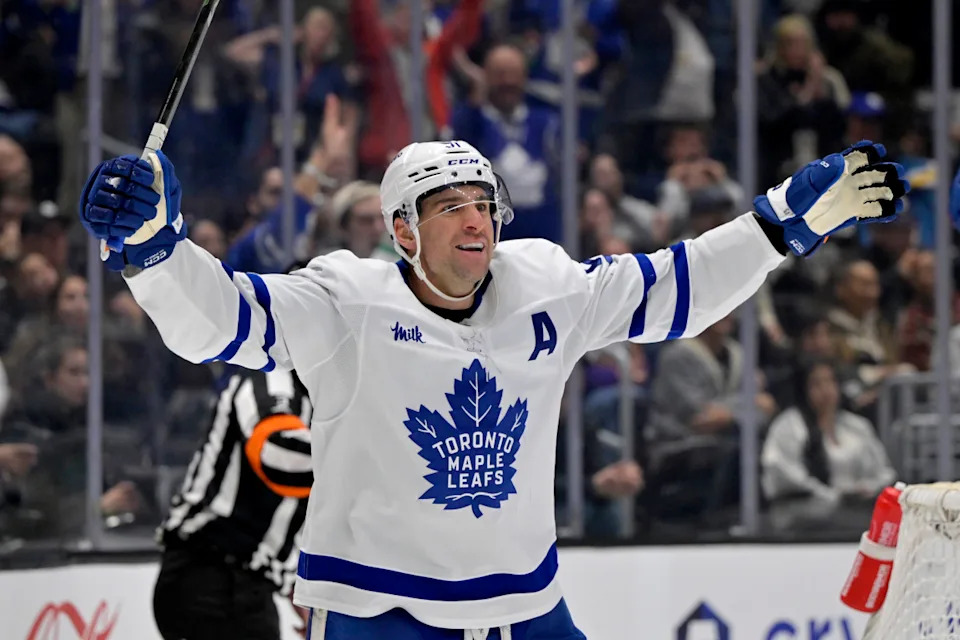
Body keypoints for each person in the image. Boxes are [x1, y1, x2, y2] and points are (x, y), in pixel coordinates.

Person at [77, 139, 907, 639]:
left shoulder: (545, 285)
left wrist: (780, 224)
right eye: (450, 207)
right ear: (402, 231)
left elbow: (674, 289)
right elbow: (218, 321)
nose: (477, 221)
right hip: (379, 614)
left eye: (484, 203)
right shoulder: (345, 302)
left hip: (524, 608)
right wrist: (155, 253)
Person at [152, 365, 314, 640]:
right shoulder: (273, 377)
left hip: (243, 583)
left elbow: (283, 509)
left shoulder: (317, 399)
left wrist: (297, 588)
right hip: (210, 576)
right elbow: (275, 452)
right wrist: (363, 465)